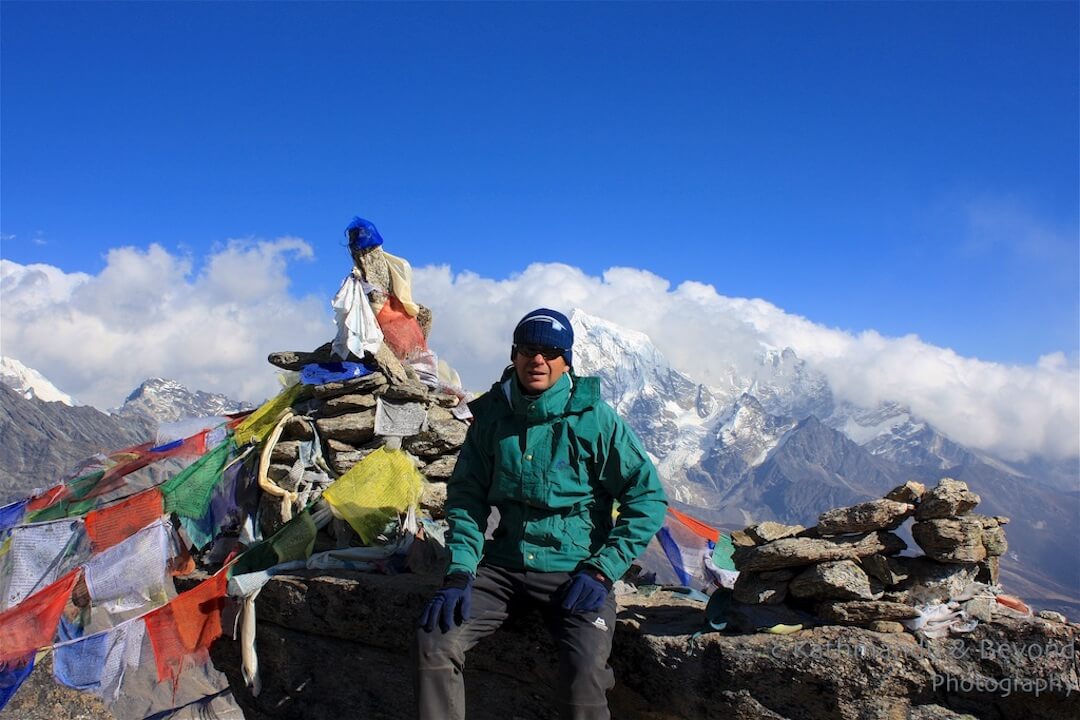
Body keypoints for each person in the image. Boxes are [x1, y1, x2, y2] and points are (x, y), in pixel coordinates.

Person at [415, 308, 668, 720]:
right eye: (529, 349)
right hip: (503, 567)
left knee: (584, 670)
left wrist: (602, 570)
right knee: (434, 639)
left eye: (550, 351)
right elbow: (467, 496)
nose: (538, 360)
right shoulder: (492, 416)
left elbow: (648, 498)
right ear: (514, 355)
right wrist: (460, 570)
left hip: (577, 571)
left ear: (566, 360)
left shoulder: (596, 421)